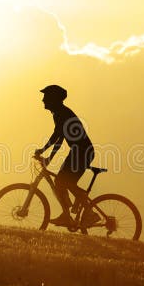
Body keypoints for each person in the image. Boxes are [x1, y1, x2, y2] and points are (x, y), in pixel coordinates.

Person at [34, 85, 99, 227]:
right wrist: (46, 154)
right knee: (61, 182)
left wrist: (46, 154)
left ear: (54, 99)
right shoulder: (60, 112)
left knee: (64, 182)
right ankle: (67, 214)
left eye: (46, 97)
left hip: (82, 151)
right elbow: (59, 138)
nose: (43, 100)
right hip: (79, 151)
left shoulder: (61, 113)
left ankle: (89, 213)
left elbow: (58, 137)